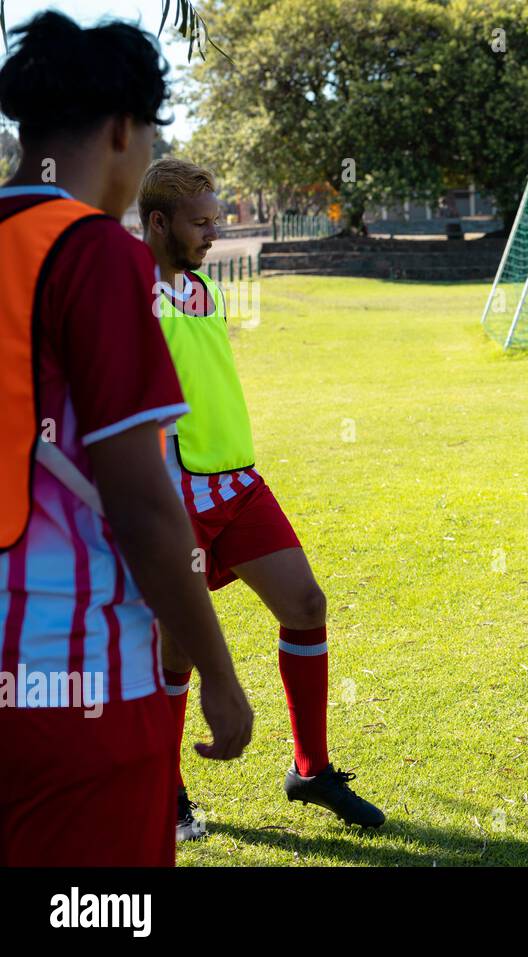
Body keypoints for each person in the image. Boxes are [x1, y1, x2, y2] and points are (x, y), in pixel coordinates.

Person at [0, 11, 252, 866]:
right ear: (120, 129)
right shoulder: (98, 253)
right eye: (147, 137)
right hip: (77, 687)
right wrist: (218, 674)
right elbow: (143, 500)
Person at [139, 158, 385, 837]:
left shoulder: (199, 287)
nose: (214, 233)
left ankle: (310, 770)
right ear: (158, 223)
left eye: (216, 220)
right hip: (174, 489)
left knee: (306, 604)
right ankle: (163, 790)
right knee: (176, 649)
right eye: (201, 223)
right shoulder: (129, 289)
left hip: (238, 480)